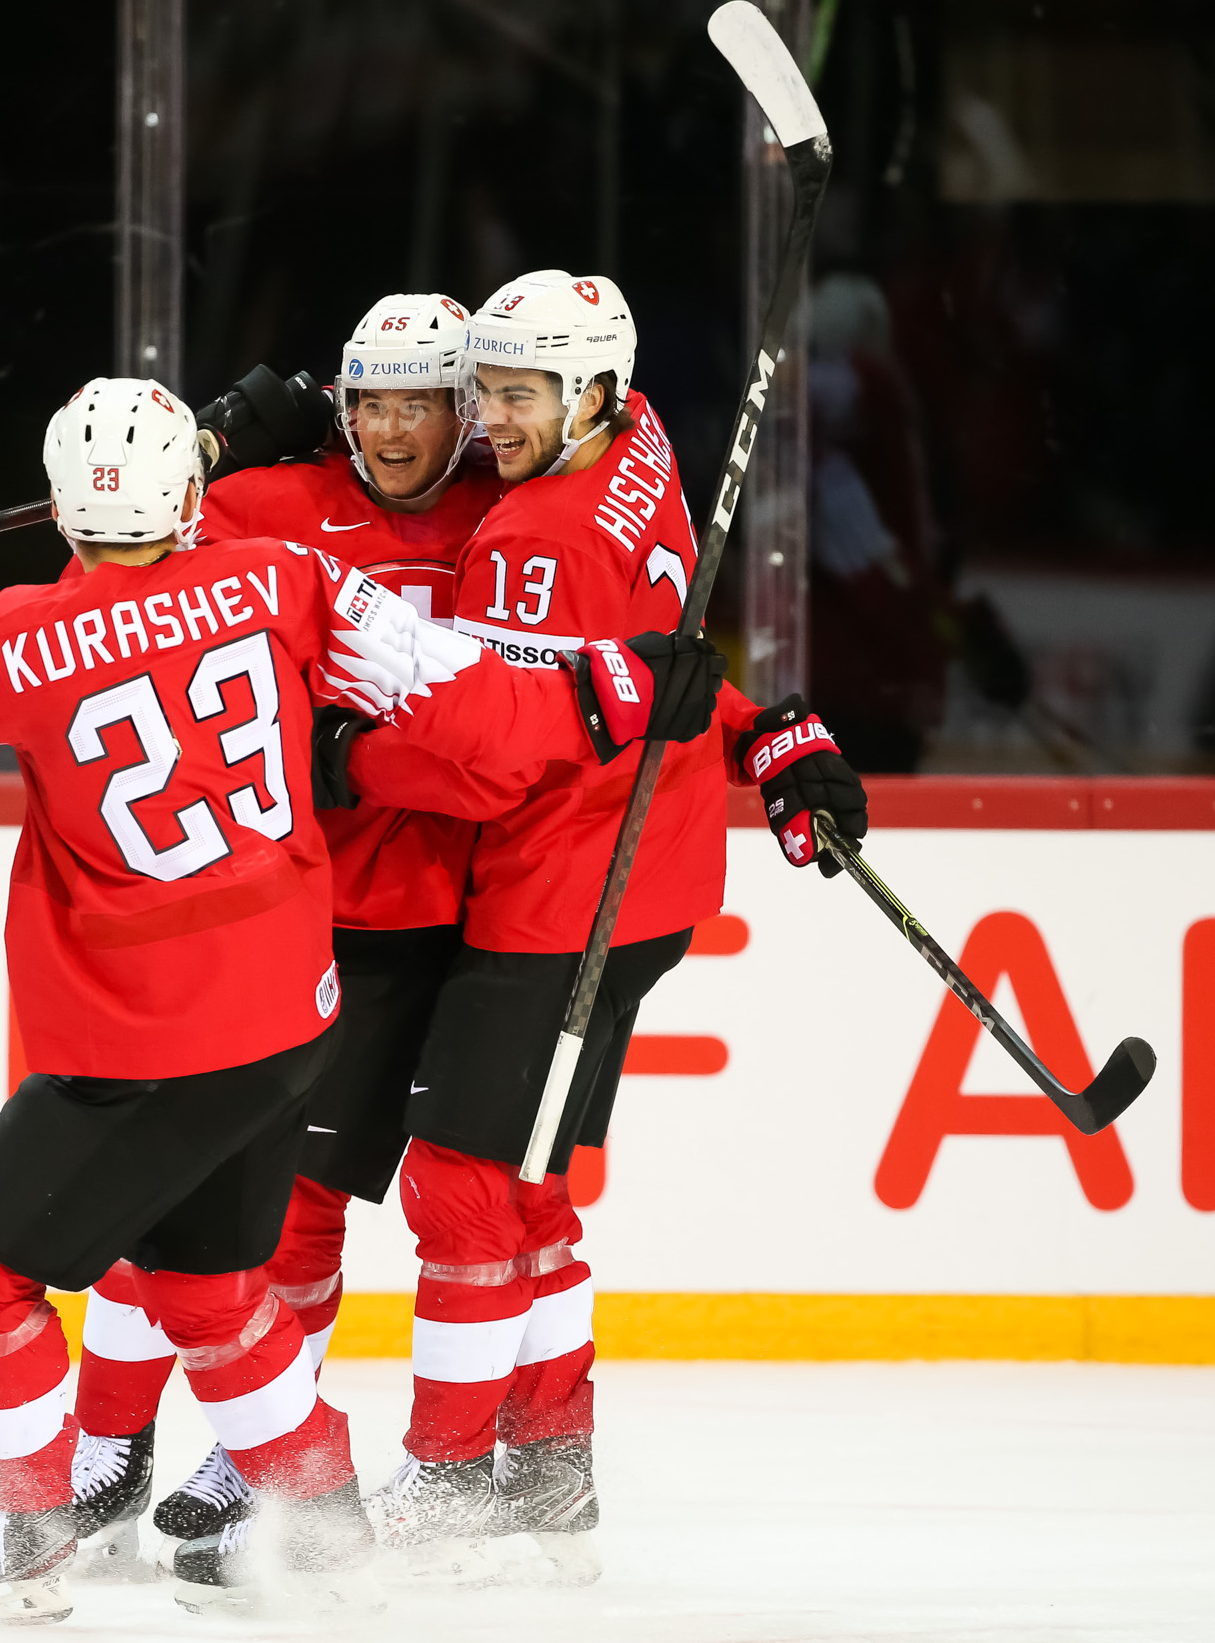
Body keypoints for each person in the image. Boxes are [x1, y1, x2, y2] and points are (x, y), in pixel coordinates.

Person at [0, 375, 725, 1622]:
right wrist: (618, 686)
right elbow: (466, 689)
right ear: (194, 495)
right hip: (283, 1021)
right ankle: (316, 1522)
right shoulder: (283, 578)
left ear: (57, 505)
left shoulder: (7, 635)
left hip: (137, 1038)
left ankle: (20, 1531)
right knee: (212, 1288)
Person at [337, 272, 870, 1582]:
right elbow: (658, 661)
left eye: (514, 397)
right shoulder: (645, 449)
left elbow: (489, 757)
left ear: (585, 388)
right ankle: (553, 1464)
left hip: (563, 893)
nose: (486, 420)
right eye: (487, 391)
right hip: (648, 877)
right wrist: (768, 730)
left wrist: (341, 761)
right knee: (525, 1182)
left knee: (463, 1181)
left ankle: (457, 1474)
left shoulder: (530, 540)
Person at [61, 293, 513, 1564]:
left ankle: (245, 1445)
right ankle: (104, 1447)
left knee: (301, 1209)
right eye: (364, 398)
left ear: (462, 406)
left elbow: (542, 702)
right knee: (155, 1193)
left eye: (414, 399)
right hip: (260, 910)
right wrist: (203, 443)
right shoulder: (266, 504)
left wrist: (355, 762)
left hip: (417, 930)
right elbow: (96, 572)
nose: (383, 425)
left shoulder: (506, 519)